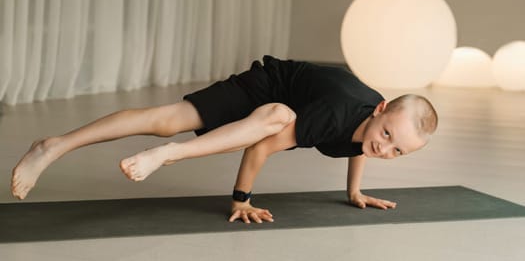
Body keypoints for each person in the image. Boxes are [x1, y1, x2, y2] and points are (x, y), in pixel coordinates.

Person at [11, 55, 438, 224]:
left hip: (289, 102)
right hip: (265, 87)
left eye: (396, 150)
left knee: (267, 120)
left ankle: (168, 150)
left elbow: (357, 144)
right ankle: (55, 146)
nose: (384, 148)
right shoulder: (334, 115)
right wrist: (240, 199)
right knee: (166, 121)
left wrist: (355, 190)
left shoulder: (371, 130)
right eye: (386, 136)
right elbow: (262, 144)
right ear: (380, 109)